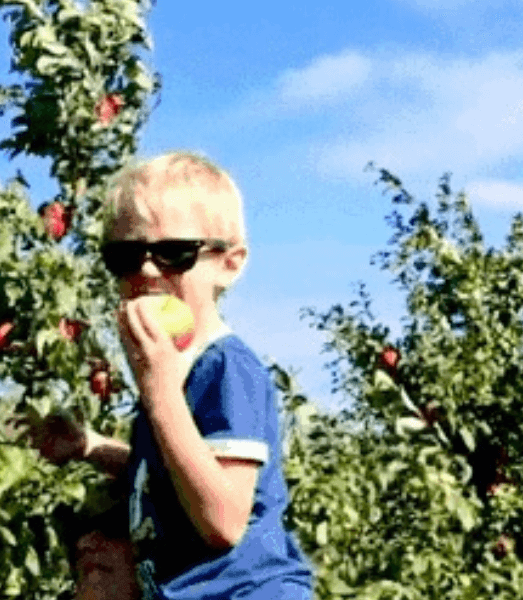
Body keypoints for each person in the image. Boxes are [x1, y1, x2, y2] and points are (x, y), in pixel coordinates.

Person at [28, 151, 314, 599]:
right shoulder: (170, 372)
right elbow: (166, 474)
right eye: (125, 255)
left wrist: (161, 393)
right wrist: (91, 446)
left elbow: (223, 519)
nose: (146, 269)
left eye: (173, 253)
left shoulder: (226, 369)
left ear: (230, 263)